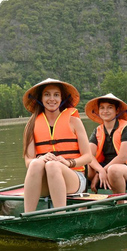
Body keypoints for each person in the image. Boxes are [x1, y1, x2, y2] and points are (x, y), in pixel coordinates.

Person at [22, 78, 92, 212]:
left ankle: (60, 214)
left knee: (52, 165)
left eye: (56, 95)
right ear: (41, 98)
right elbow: (28, 161)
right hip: (46, 181)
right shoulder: (31, 125)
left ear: (62, 98)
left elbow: (88, 156)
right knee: (35, 164)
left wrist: (68, 163)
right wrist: (40, 159)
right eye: (47, 94)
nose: (52, 99)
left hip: (74, 178)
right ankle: (28, 215)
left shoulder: (74, 121)